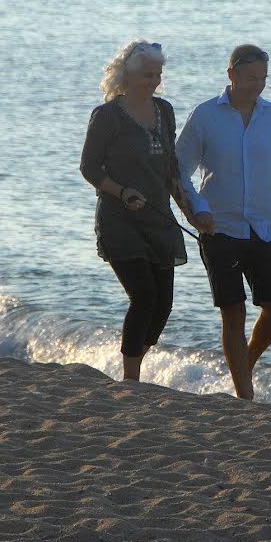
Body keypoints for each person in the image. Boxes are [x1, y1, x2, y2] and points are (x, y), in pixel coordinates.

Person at [176, 43, 271, 400]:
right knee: (234, 310)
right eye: (251, 77)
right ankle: (245, 395)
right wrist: (196, 209)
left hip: (264, 227)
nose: (258, 85)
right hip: (218, 228)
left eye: (264, 79)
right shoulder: (205, 115)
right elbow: (178, 170)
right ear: (232, 75)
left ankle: (244, 363)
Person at [80, 38, 192, 382]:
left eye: (158, 74)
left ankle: (133, 364)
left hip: (159, 219)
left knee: (164, 306)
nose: (154, 80)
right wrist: (122, 191)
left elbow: (171, 169)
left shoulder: (165, 111)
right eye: (147, 74)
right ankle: (131, 380)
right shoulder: (107, 116)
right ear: (126, 77)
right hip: (120, 219)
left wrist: (192, 214)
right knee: (144, 296)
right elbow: (89, 168)